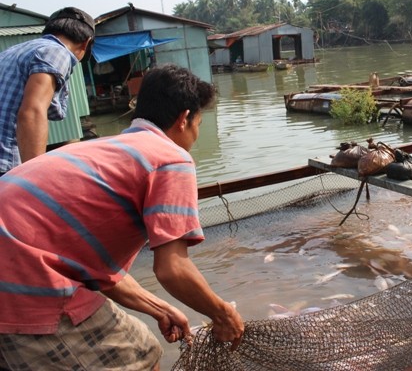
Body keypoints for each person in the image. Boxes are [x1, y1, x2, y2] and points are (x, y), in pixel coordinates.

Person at [0, 64, 244, 370]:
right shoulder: (170, 158)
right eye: (199, 123)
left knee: (139, 342)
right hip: (25, 285)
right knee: (141, 355)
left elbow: (93, 271)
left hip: (17, 268)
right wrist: (223, 315)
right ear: (184, 120)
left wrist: (158, 307)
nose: (196, 133)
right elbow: (172, 268)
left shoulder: (101, 148)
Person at [0, 7, 95, 177]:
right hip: (5, 162)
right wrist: (35, 177)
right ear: (86, 43)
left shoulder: (12, 51)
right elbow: (32, 111)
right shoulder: (57, 51)